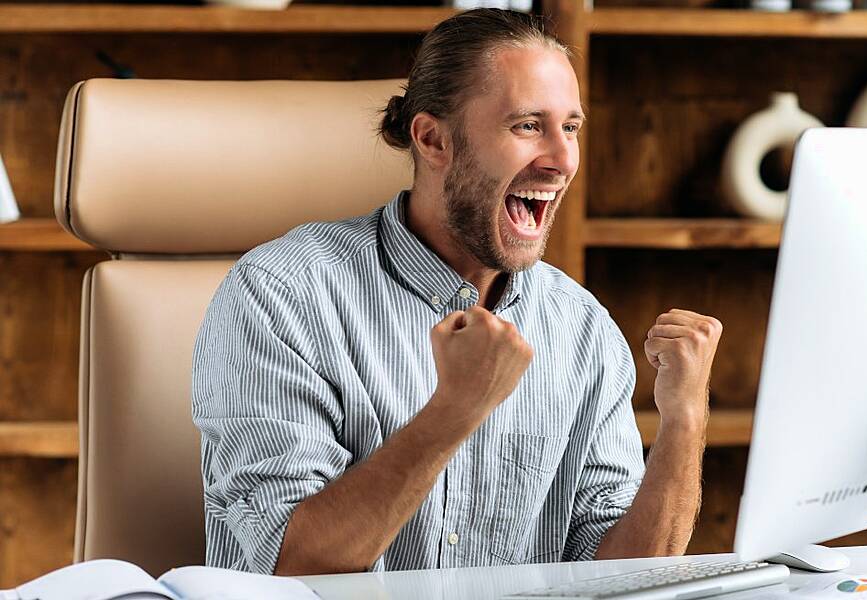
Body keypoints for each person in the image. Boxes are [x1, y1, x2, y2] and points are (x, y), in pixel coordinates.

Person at [192, 8, 722, 577]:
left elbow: (620, 577)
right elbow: (290, 564)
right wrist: (456, 409)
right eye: (526, 125)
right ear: (433, 139)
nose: (564, 160)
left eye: (570, 127)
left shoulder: (583, 330)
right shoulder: (282, 295)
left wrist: (684, 420)